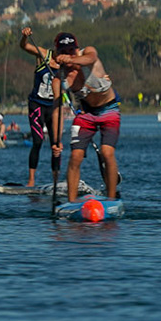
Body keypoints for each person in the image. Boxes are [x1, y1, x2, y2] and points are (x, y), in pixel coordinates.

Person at [53, 32, 120, 200]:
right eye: (64, 52)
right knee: (75, 156)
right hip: (86, 114)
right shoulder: (60, 79)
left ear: (77, 49)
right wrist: (56, 140)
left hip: (109, 110)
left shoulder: (88, 52)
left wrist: (71, 59)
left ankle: (111, 199)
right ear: (58, 54)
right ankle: (71, 202)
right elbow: (57, 111)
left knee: (107, 152)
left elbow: (90, 59)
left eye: (72, 50)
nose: (69, 54)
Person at [17, 26, 64, 189]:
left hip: (53, 108)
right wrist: (24, 36)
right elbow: (24, 46)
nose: (62, 52)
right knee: (37, 141)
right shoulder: (43, 54)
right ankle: (31, 180)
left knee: (56, 144)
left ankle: (56, 181)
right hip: (37, 105)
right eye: (60, 49)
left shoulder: (66, 63)